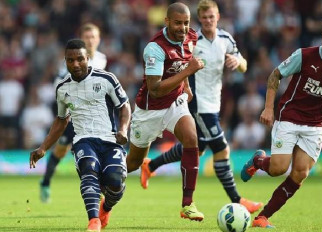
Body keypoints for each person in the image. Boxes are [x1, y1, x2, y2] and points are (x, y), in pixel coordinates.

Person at [140, 0, 263, 214]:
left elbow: (244, 65)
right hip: (196, 102)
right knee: (222, 148)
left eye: (211, 17)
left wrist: (237, 61)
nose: (208, 21)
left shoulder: (226, 39)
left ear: (218, 17)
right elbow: (177, 65)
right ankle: (237, 200)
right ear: (199, 19)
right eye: (204, 17)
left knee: (198, 148)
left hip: (214, 102)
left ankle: (150, 166)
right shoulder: (191, 41)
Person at [241, 18, 322, 228]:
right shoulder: (304, 55)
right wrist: (268, 108)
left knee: (300, 173)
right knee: (278, 169)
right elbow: (275, 75)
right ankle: (259, 161)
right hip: (290, 117)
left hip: (315, 125)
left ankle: (262, 217)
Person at [30, 39, 131, 232]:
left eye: (79, 59)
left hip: (110, 139)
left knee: (115, 181)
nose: (75, 64)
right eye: (70, 60)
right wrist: (43, 147)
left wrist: (123, 129)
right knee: (88, 171)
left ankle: (106, 208)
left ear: (87, 58)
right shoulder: (62, 88)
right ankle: (93, 221)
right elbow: (61, 120)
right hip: (83, 140)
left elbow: (124, 106)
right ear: (65, 61)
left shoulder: (107, 79)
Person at [125, 2, 205, 221]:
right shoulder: (155, 48)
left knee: (191, 139)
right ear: (167, 21)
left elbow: (184, 63)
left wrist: (186, 86)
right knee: (132, 163)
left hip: (175, 104)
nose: (183, 28)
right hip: (149, 110)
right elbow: (155, 89)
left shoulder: (191, 37)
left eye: (186, 23)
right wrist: (188, 71)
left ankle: (187, 204)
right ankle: (108, 178)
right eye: (178, 23)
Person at [40, 23, 107, 203]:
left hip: (93, 115)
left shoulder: (102, 60)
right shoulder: (69, 62)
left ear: (98, 39)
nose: (90, 41)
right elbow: (57, 86)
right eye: (87, 37)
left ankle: (96, 188)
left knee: (94, 148)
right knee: (61, 150)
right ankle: (45, 182)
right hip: (73, 114)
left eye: (93, 37)